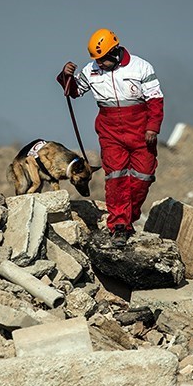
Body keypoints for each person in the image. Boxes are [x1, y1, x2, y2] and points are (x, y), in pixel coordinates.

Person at [57, 28, 164, 248]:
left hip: (141, 131)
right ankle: (119, 226)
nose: (100, 63)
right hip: (110, 131)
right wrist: (66, 76)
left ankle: (129, 216)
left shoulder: (141, 67)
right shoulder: (91, 70)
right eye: (97, 59)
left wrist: (153, 127)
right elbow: (74, 91)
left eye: (103, 59)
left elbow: (155, 100)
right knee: (116, 178)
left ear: (115, 52)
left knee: (143, 177)